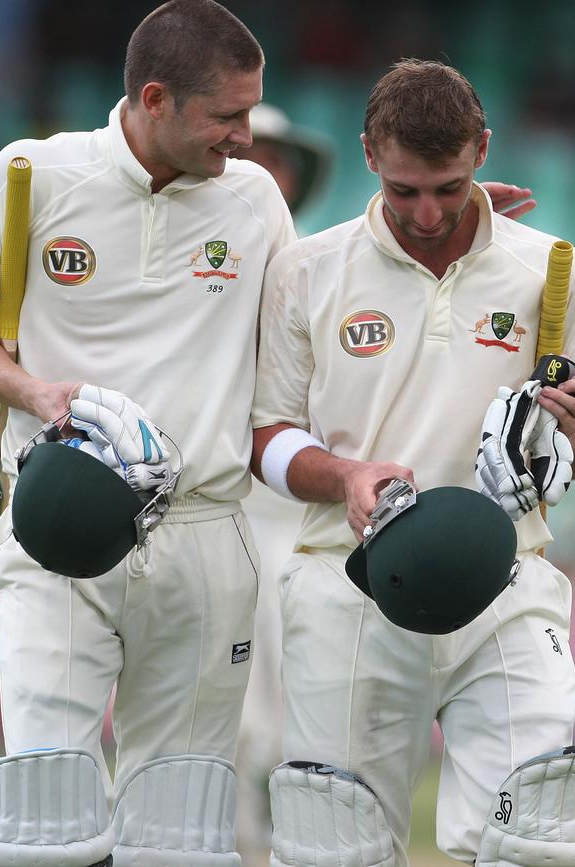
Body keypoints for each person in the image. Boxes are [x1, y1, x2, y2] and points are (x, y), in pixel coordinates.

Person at [0, 2, 296, 866]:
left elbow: (305, 342)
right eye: (229, 115)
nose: (247, 136)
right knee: (45, 814)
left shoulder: (255, 204)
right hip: (59, 523)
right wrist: (34, 389)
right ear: (156, 98)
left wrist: (466, 237)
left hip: (206, 534)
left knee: (177, 829)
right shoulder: (34, 176)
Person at [251, 60, 575, 867]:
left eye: (449, 187)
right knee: (336, 848)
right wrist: (347, 478)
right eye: (404, 191)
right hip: (348, 584)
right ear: (368, 155)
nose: (427, 214)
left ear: (483, 151)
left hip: (508, 581)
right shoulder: (308, 270)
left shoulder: (550, 270)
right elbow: (267, 438)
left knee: (538, 836)